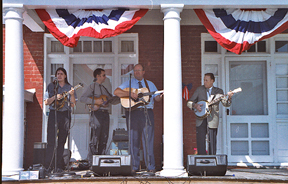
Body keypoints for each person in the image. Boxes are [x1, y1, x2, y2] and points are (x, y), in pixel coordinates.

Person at [114, 64, 163, 174]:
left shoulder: (149, 84)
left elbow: (157, 99)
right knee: (133, 140)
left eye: (139, 70)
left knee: (148, 140)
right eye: (135, 71)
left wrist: (160, 96)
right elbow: (116, 92)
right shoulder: (129, 83)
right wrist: (130, 93)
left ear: (143, 72)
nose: (137, 72)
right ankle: (134, 166)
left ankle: (150, 166)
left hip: (147, 113)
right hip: (133, 113)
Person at [187, 73, 233, 155]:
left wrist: (229, 97)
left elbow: (226, 104)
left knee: (212, 140)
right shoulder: (199, 90)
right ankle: (201, 159)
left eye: (206, 80)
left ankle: (212, 160)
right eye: (204, 80)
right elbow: (189, 102)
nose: (204, 82)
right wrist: (195, 105)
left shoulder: (218, 91)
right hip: (201, 119)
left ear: (212, 81)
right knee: (200, 140)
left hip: (212, 119)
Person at [44, 67, 77, 172]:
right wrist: (55, 97)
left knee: (62, 140)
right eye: (57, 74)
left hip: (65, 114)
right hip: (54, 114)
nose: (59, 75)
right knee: (51, 140)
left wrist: (71, 95)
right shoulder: (51, 86)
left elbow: (73, 104)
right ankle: (48, 165)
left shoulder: (69, 87)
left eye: (61, 74)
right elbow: (46, 102)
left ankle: (59, 165)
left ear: (65, 76)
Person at [80, 68, 114, 165]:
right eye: (103, 75)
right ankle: (92, 162)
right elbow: (83, 98)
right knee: (95, 137)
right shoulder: (92, 87)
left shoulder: (104, 88)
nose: (105, 77)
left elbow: (110, 99)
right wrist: (95, 101)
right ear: (98, 76)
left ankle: (101, 161)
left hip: (105, 114)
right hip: (97, 114)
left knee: (104, 137)